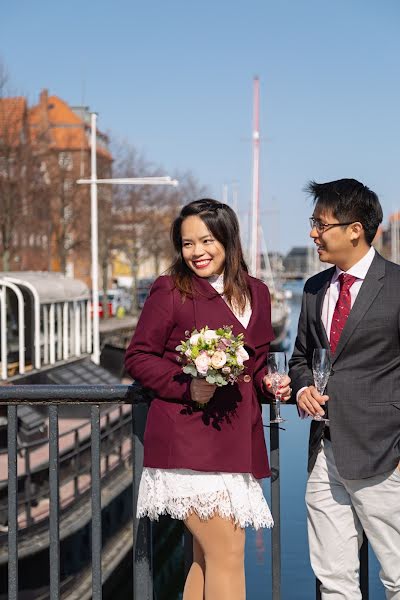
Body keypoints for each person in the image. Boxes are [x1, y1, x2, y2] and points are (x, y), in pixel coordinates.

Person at [125, 198, 291, 600]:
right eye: (187, 244)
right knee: (229, 553)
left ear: (228, 239)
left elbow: (256, 364)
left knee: (206, 558)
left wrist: (271, 383)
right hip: (188, 439)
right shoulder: (171, 290)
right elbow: (137, 356)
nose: (197, 252)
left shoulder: (259, 292)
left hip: (237, 442)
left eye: (206, 240)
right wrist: (186, 385)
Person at [288, 179, 400, 599]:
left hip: (385, 456)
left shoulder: (397, 285)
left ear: (355, 229)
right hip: (325, 453)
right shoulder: (314, 288)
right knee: (334, 582)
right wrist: (301, 389)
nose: (313, 232)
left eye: (321, 223)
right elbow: (301, 357)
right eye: (312, 222)